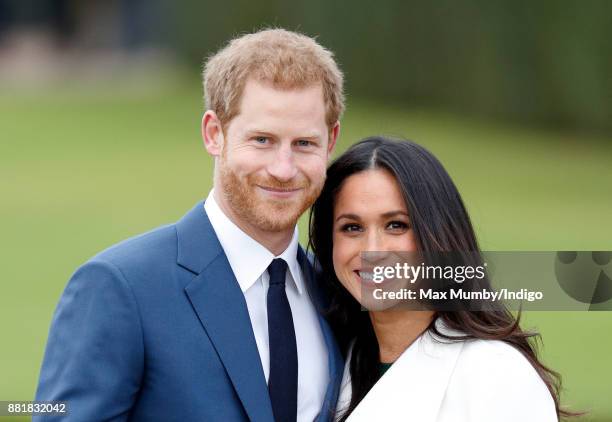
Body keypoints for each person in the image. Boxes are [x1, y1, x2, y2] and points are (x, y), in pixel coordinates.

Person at [35, 28, 344, 422]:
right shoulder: (119, 287)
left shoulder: (337, 295)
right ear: (214, 134)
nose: (283, 169)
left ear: (331, 141)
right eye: (262, 140)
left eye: (304, 143)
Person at [309, 136, 569, 421]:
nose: (373, 249)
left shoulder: (496, 373)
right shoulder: (335, 362)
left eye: (396, 225)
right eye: (352, 227)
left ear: (438, 236)